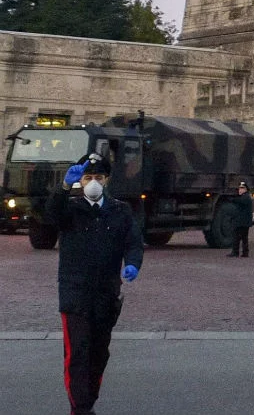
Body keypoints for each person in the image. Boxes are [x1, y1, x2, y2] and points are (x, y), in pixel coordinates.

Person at [45, 153, 143, 415]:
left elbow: (132, 241)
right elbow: (51, 215)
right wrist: (64, 187)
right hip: (75, 293)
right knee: (78, 354)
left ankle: (88, 402)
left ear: (107, 180)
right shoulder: (71, 208)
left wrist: (132, 263)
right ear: (81, 180)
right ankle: (80, 409)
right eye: (88, 177)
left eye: (98, 177)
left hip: (106, 293)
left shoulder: (120, 210)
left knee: (99, 354)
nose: (93, 182)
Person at [228, 181, 254, 258]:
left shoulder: (245, 197)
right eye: (239, 188)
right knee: (242, 238)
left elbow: (239, 201)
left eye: (242, 188)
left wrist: (231, 199)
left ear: (246, 189)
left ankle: (237, 252)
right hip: (243, 222)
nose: (240, 190)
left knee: (238, 237)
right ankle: (243, 253)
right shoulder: (245, 196)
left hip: (242, 222)